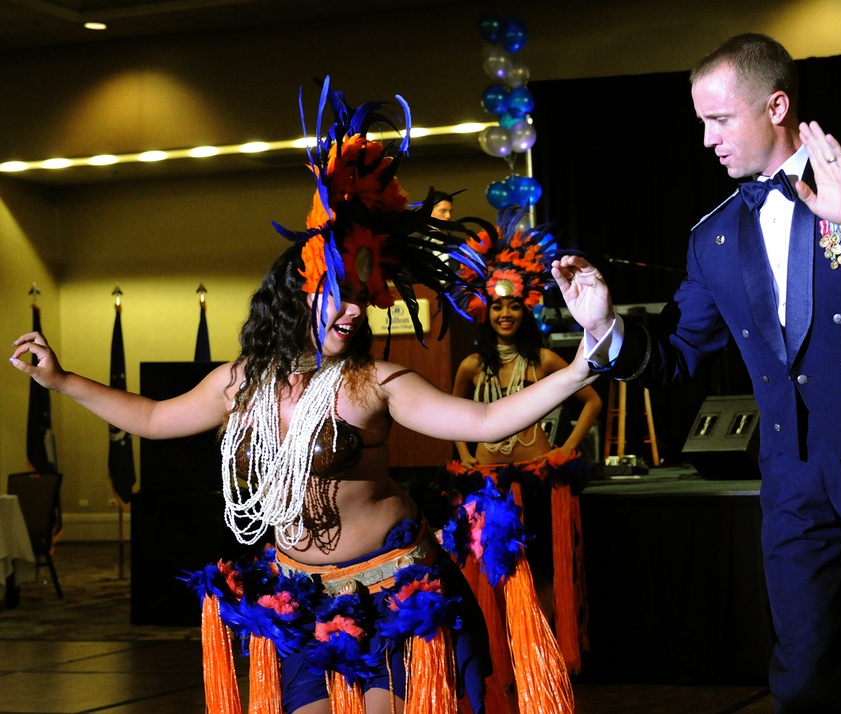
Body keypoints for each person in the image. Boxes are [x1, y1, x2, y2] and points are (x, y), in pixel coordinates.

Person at [9, 80, 594, 714]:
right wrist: (62, 381)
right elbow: (152, 418)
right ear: (300, 294)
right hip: (301, 600)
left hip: (393, 592)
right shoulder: (245, 381)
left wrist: (586, 362)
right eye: (336, 297)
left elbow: (485, 417)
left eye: (359, 299)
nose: (350, 312)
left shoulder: (374, 383)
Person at [550, 33, 841, 714]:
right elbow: (678, 353)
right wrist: (604, 328)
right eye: (700, 122)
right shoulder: (714, 236)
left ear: (775, 105)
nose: (705, 139)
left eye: (719, 120)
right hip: (789, 468)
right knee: (804, 662)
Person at [446, 205, 602, 676]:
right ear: (485, 311)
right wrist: (468, 456)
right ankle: (504, 661)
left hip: (537, 480)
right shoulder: (471, 367)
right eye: (497, 305)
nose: (506, 312)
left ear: (526, 307)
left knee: (544, 571)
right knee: (493, 570)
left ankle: (544, 657)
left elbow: (592, 401)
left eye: (514, 304)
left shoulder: (547, 360)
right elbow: (455, 418)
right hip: (488, 483)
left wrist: (564, 449)